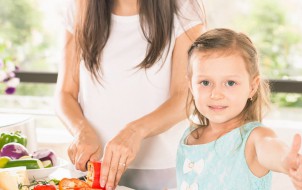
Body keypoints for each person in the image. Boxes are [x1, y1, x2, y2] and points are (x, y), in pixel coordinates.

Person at [55, 0, 205, 189]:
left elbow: (186, 97)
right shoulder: (79, 7)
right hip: (91, 167)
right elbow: (64, 93)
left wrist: (134, 132)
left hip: (158, 169)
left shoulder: (183, 7)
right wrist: (81, 132)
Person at [176, 28, 302, 190]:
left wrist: (287, 160)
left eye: (230, 83)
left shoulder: (253, 138)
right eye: (205, 83)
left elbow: (270, 147)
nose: (216, 94)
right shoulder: (189, 137)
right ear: (191, 86)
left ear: (252, 87)